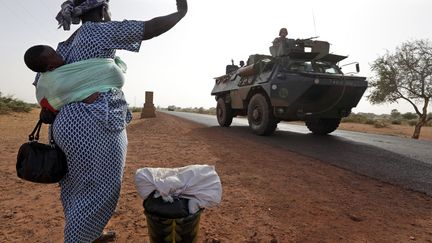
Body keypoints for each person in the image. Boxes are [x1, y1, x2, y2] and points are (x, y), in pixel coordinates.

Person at [30, 0, 188, 242]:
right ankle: (79, 238)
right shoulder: (100, 30)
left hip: (63, 126)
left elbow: (42, 82)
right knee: (103, 188)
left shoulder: (64, 44)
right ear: (103, 10)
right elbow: (149, 28)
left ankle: (91, 234)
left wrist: (49, 106)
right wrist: (181, 13)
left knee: (75, 187)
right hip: (95, 122)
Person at [25, 45, 126, 113]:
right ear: (51, 67)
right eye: (55, 55)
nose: (59, 54)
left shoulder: (61, 69)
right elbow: (63, 96)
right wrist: (82, 98)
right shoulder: (52, 81)